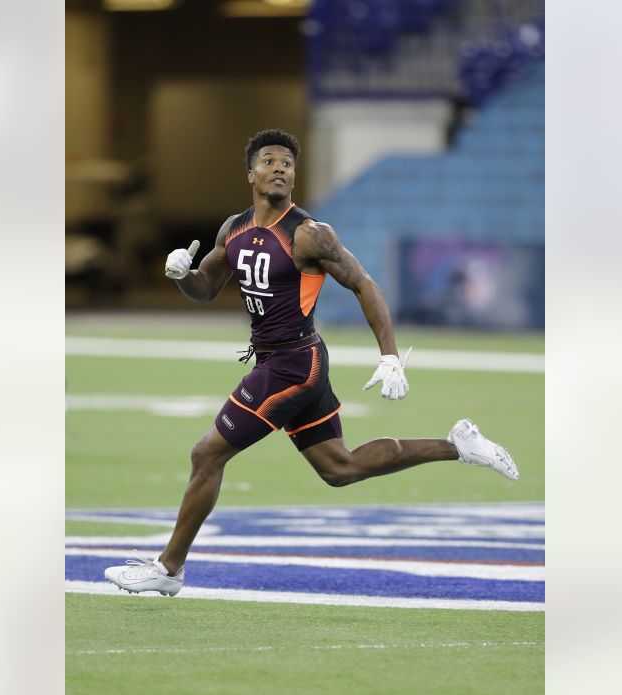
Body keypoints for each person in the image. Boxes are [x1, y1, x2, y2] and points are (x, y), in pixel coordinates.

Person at [104, 129, 518, 596]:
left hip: (292, 365)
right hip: (292, 363)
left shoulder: (308, 234)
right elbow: (206, 288)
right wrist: (182, 275)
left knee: (206, 453)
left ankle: (169, 569)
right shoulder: (233, 229)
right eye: (270, 161)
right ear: (251, 173)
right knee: (340, 468)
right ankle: (457, 445)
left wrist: (389, 357)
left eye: (287, 163)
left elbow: (364, 284)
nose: (280, 168)